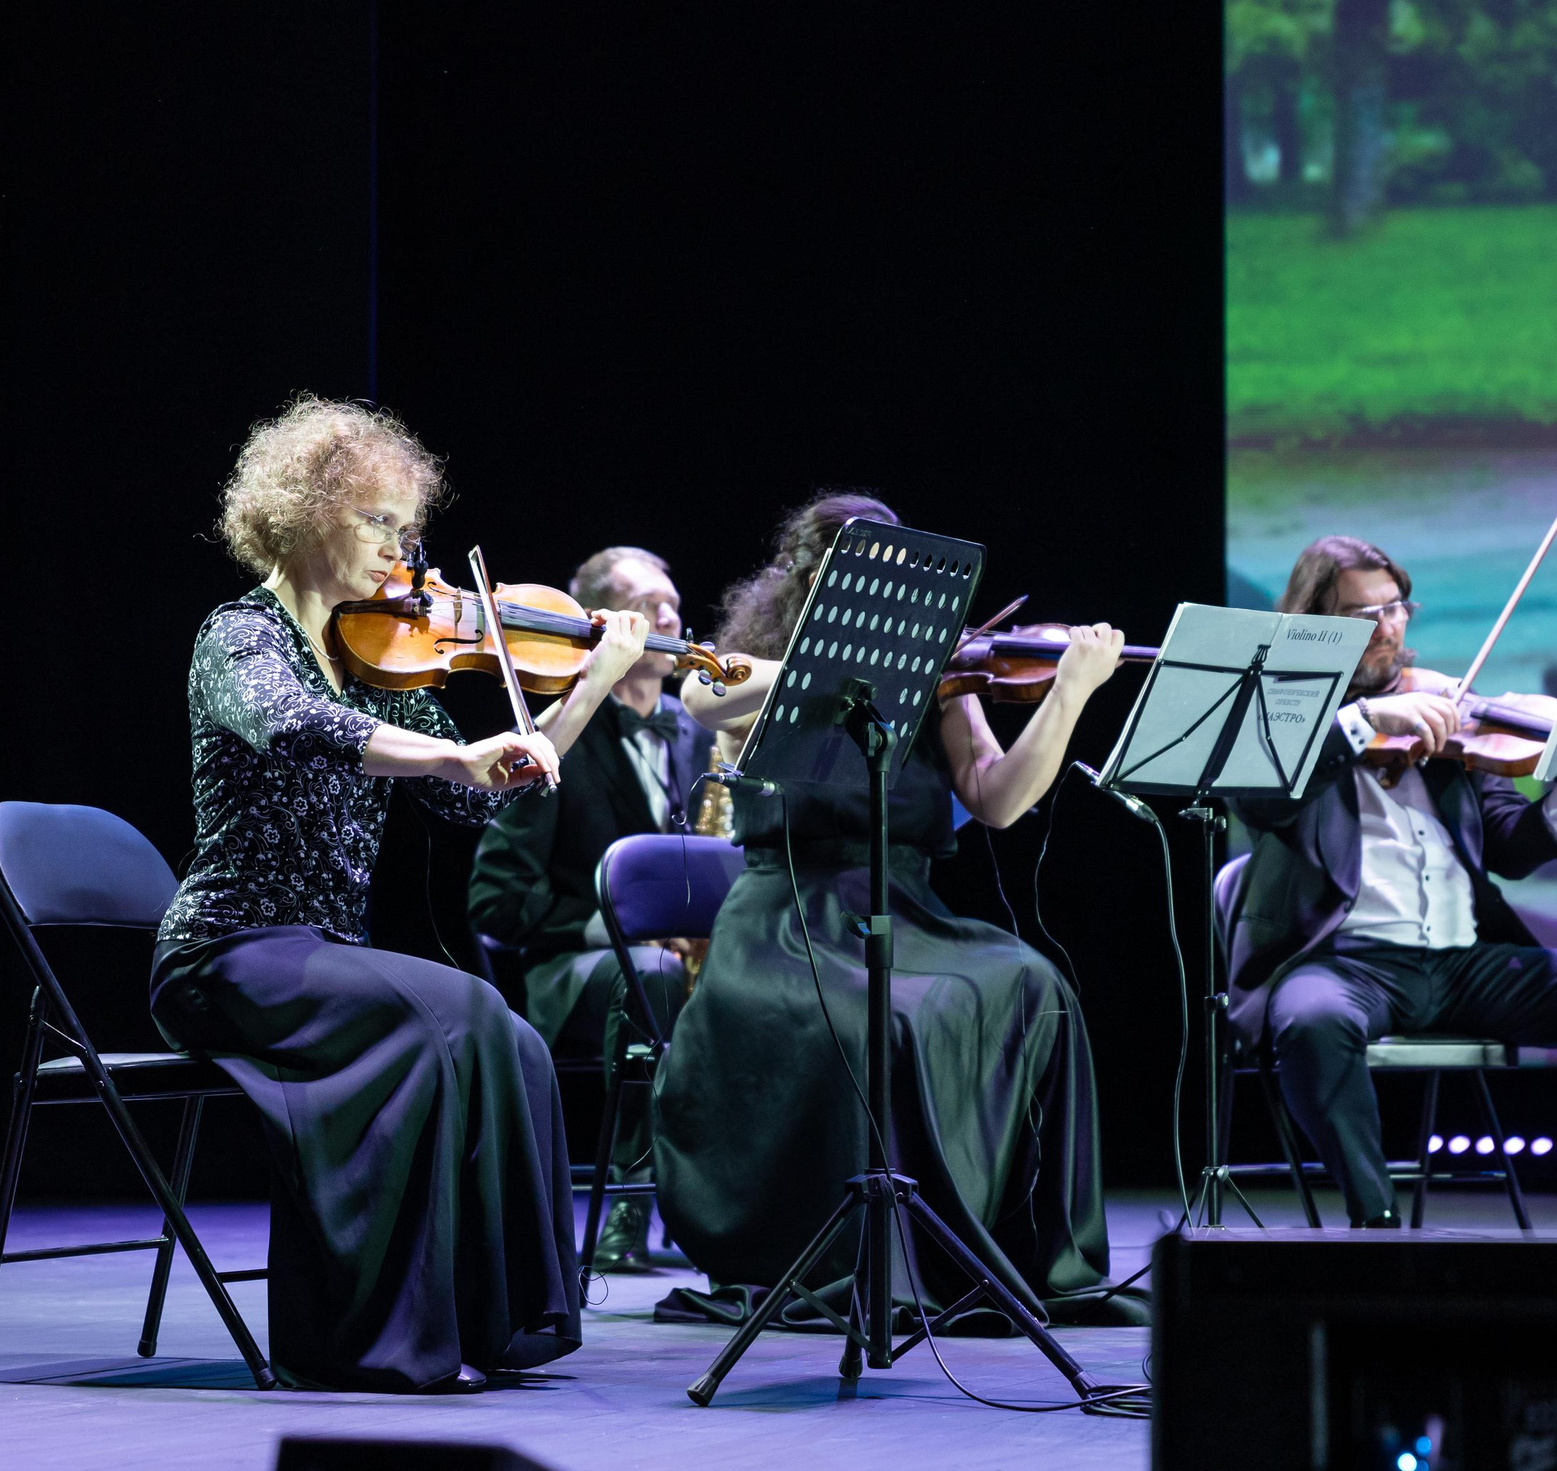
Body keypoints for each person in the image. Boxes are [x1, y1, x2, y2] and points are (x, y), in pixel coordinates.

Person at [148, 395, 652, 1392]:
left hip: (322, 954)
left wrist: (591, 685)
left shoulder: (376, 658)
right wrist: (455, 756)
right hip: (227, 952)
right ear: (302, 512)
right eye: (376, 520)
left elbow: (483, 799)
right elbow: (294, 725)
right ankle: (376, 1340)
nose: (400, 549)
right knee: (456, 1010)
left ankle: (496, 1322)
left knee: (504, 1029)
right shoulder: (242, 637)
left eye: (406, 528)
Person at [651, 493, 1144, 1329]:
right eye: (875, 566)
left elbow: (996, 798)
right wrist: (868, 667)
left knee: (1035, 983)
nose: (899, 580)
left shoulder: (943, 679)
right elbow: (702, 695)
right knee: (881, 1021)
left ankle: (1012, 1255)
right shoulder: (763, 657)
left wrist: (1069, 695)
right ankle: (874, 1261)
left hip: (903, 907)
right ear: (821, 579)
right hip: (785, 917)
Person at [1228, 535, 1557, 1232]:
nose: (1385, 629)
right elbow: (1262, 802)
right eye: (1360, 615)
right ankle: (1377, 1224)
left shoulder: (1451, 711)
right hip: (1342, 964)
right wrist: (1365, 720)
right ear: (1317, 623)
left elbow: (1512, 849)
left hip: (1463, 965)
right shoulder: (1284, 718)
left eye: (1395, 608)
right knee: (1312, 1021)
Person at [468, 547, 718, 1275]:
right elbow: (497, 898)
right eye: (648, 605)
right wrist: (622, 925)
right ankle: (631, 1210)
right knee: (656, 976)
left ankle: (740, 1212)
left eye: (674, 603)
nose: (669, 618)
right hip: (573, 970)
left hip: (677, 961)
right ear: (602, 625)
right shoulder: (561, 735)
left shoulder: (703, 732)